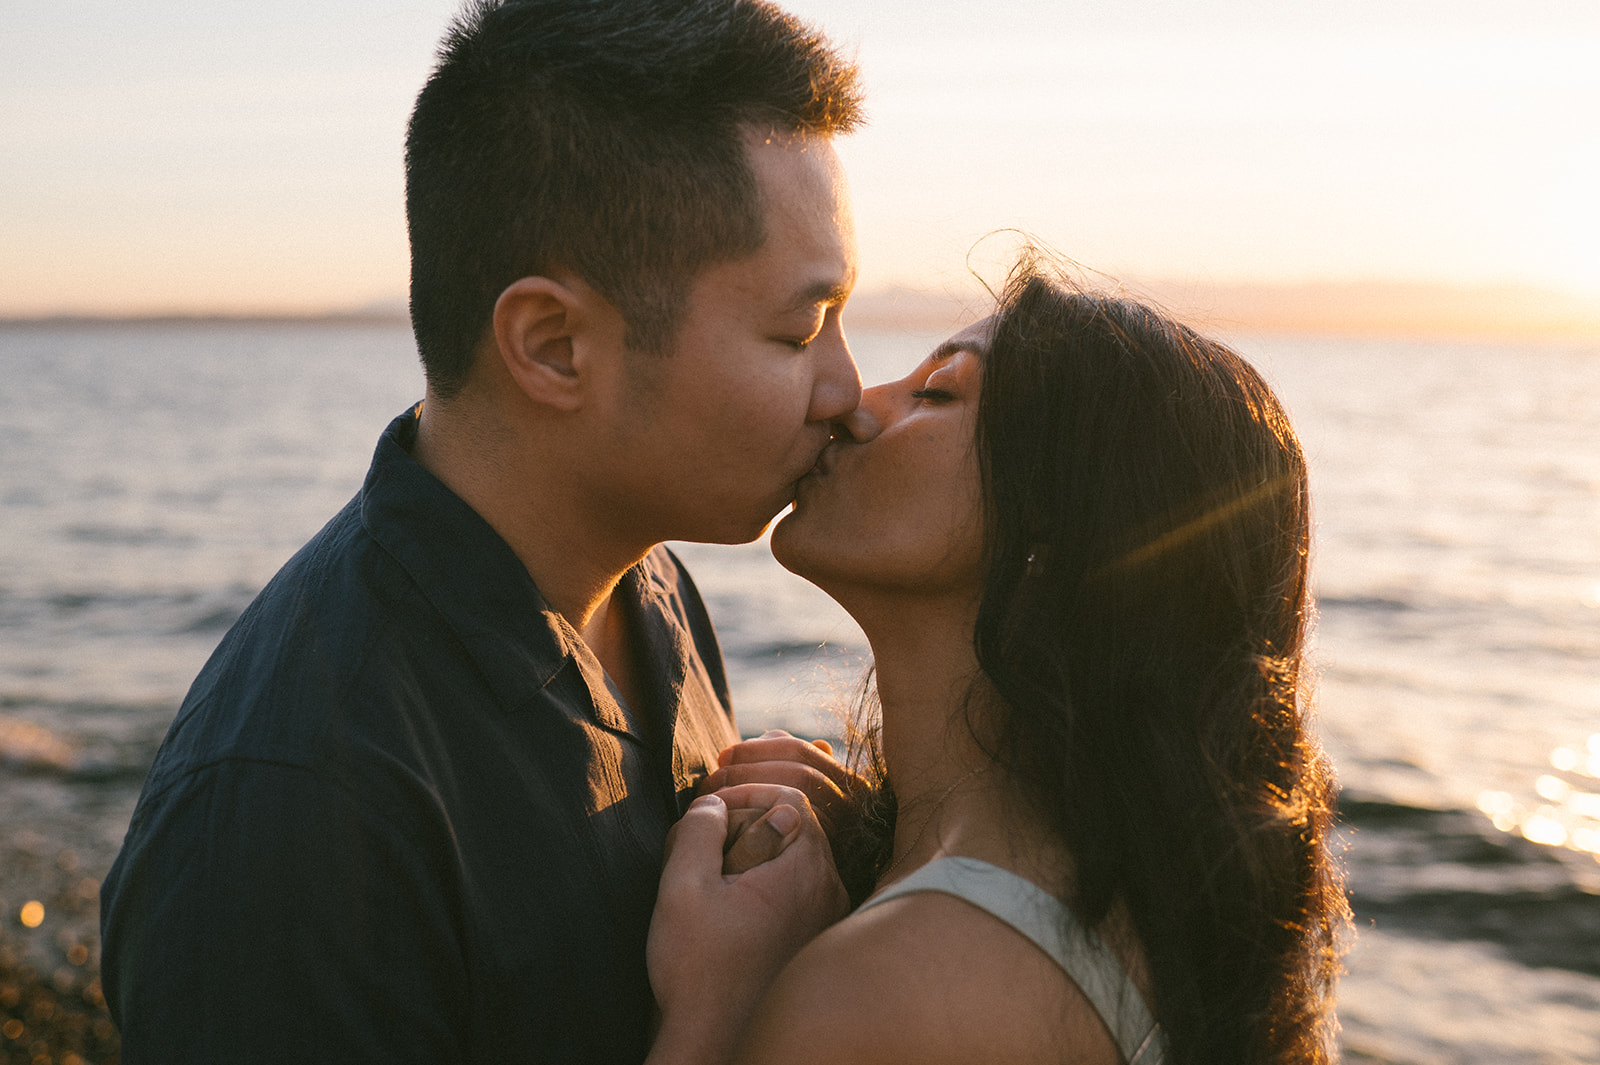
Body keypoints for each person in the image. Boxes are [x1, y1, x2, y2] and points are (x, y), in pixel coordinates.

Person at [99, 1, 863, 1060]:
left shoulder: (649, 588)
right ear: (553, 347)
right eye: (799, 330)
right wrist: (715, 1020)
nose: (849, 390)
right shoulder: (293, 813)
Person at [649, 258, 1350, 1064]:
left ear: (1055, 535)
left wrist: (715, 1011)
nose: (853, 404)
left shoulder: (888, 996)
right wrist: (875, 853)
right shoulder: (1109, 906)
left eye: (937, 393)